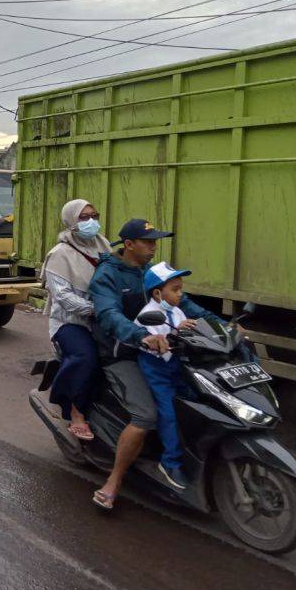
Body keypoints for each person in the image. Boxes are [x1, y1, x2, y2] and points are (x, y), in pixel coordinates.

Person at [88, 218, 221, 511]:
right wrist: (140, 336)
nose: (153, 246)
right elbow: (109, 314)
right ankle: (115, 480)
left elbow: (185, 305)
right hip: (122, 352)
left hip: (164, 350)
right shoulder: (107, 275)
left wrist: (224, 327)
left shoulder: (152, 272)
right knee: (146, 416)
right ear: (130, 244)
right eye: (147, 241)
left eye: (155, 241)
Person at [40, 199, 111, 441]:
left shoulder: (104, 246)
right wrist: (96, 309)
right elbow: (63, 298)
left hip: (105, 318)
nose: (91, 222)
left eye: (94, 215)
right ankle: (76, 412)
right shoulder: (60, 255)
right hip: (70, 322)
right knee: (86, 357)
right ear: (71, 221)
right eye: (83, 218)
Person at [135, 262, 198, 490]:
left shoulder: (177, 311)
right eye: (175, 289)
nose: (180, 294)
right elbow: (157, 345)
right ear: (157, 293)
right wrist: (176, 331)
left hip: (178, 369)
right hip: (158, 371)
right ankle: (169, 463)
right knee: (169, 413)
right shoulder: (149, 315)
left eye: (181, 288)